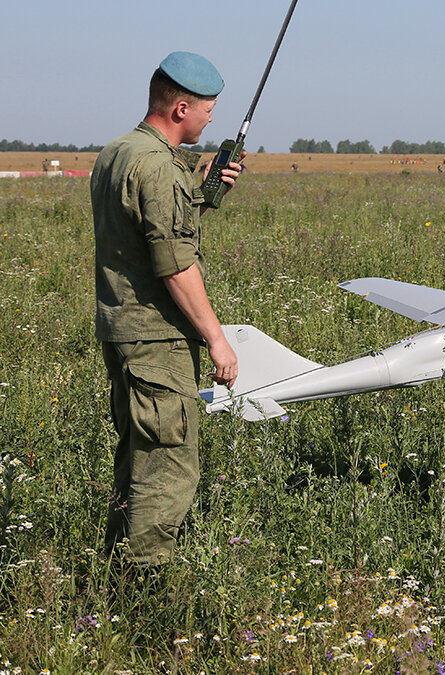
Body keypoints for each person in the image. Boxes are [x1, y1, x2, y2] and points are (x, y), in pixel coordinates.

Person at [92, 51, 245, 566]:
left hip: (123, 332)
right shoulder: (158, 167)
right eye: (207, 109)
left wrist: (199, 195)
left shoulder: (119, 151)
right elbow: (175, 266)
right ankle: (144, 597)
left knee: (136, 461)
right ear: (181, 107)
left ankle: (111, 582)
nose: (211, 119)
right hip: (156, 340)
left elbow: (145, 229)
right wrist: (217, 338)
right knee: (167, 471)